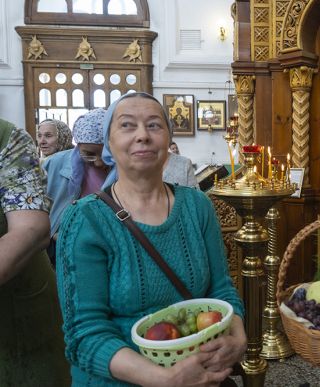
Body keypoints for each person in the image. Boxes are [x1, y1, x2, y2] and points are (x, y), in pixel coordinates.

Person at [56, 92, 246, 386]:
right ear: (108, 143)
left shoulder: (197, 207)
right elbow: (85, 334)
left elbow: (221, 290)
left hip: (203, 375)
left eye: (155, 125)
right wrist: (165, 379)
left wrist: (238, 337)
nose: (143, 136)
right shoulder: (85, 220)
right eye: (127, 126)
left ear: (169, 140)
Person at [0, 119, 70, 385]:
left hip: (18, 312)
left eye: (48, 135)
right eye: (40, 134)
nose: (42, 140)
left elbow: (30, 229)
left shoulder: (7, 138)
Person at [43, 109, 109, 262]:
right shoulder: (55, 164)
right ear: (78, 146)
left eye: (105, 154)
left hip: (102, 246)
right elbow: (41, 206)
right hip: (59, 244)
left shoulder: (120, 168)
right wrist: (53, 234)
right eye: (89, 154)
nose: (98, 162)